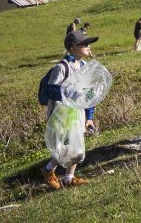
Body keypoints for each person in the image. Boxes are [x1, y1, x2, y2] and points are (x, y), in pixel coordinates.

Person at [40, 29, 99, 190]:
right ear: (72, 47)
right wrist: (70, 92)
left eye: (88, 43)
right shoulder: (62, 67)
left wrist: (89, 117)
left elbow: (88, 95)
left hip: (77, 113)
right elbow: (51, 90)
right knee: (65, 147)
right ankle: (47, 170)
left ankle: (68, 178)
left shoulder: (84, 66)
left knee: (78, 149)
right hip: (61, 114)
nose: (88, 46)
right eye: (84, 44)